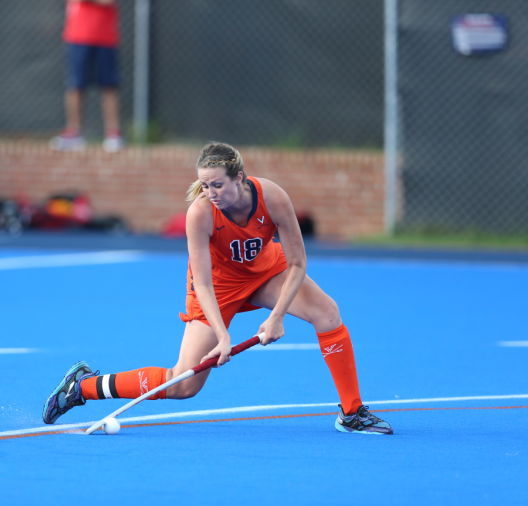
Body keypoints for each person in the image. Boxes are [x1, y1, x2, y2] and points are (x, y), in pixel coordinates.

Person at [43, 142, 393, 435]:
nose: (211, 194)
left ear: (239, 177)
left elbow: (299, 263)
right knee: (183, 385)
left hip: (266, 271)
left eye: (218, 185)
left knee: (327, 313)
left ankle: (352, 412)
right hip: (218, 287)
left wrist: (278, 317)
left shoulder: (272, 197)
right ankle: (83, 386)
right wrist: (223, 336)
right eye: (205, 186)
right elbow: (205, 283)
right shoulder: (201, 214)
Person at [50, 0, 124, 153]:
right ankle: (74, 133)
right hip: (78, 36)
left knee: (109, 86)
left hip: (106, 38)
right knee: (75, 85)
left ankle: (113, 134)